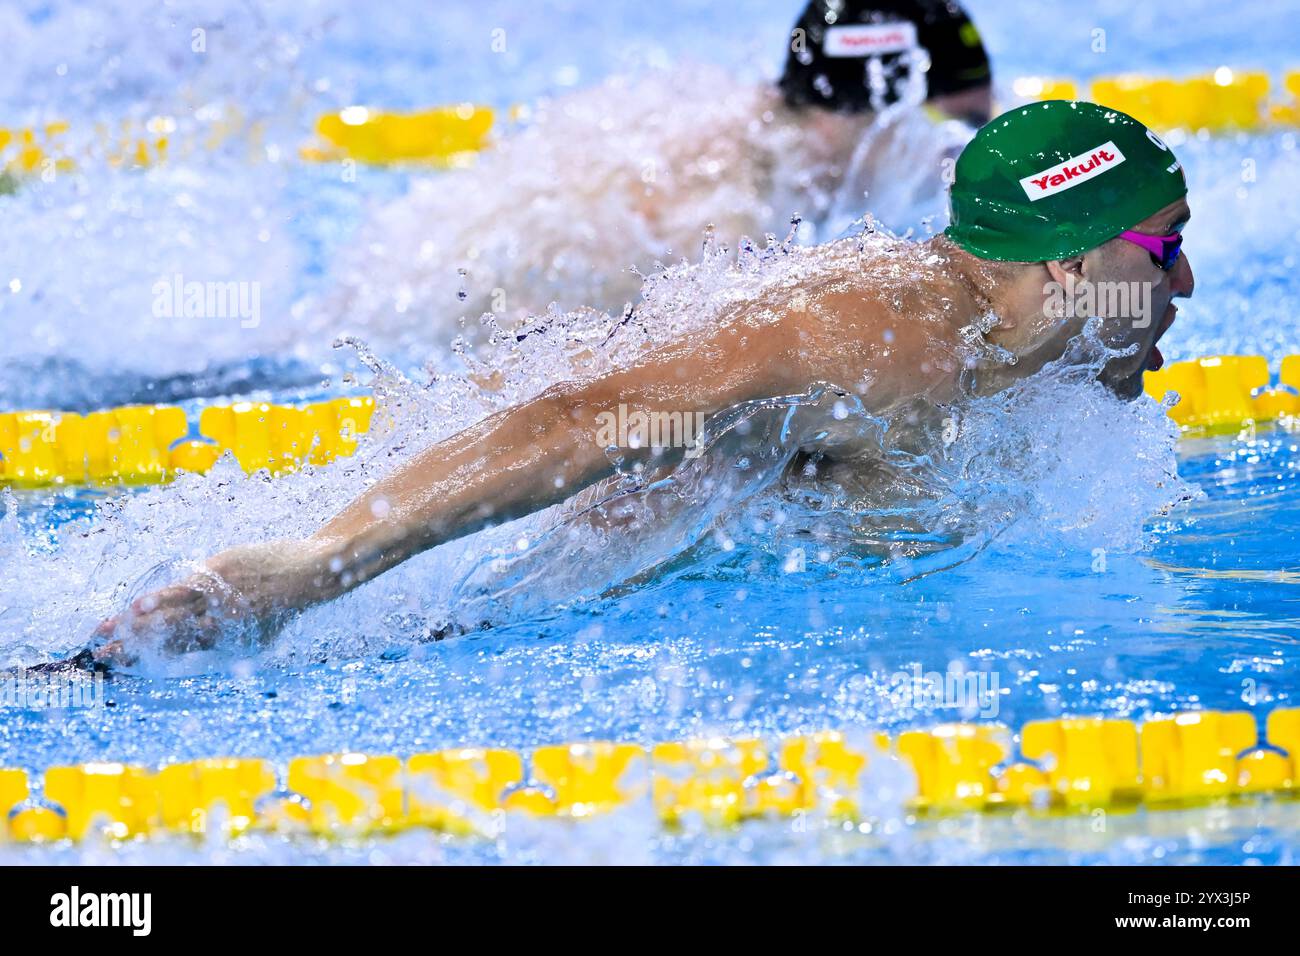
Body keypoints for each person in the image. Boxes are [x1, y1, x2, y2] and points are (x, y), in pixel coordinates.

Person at [84, 99, 1193, 669]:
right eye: (1157, 249)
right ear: (1067, 262)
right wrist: (309, 567)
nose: (1179, 280)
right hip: (542, 602)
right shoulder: (881, 335)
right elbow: (589, 417)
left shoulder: (1049, 350)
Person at [323, 1, 992, 360]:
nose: (948, 155)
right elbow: (725, 341)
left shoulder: (779, 138)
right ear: (871, 116)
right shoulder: (729, 180)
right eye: (948, 129)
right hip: (416, 328)